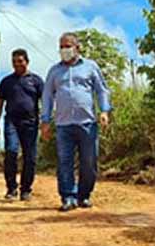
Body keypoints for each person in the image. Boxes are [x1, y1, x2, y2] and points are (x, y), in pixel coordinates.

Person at [41, 32, 111, 212]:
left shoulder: (90, 66)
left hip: (87, 122)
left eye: (67, 46)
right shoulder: (54, 71)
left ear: (77, 47)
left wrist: (104, 110)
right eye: (61, 47)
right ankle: (68, 197)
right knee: (65, 162)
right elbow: (47, 96)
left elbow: (101, 90)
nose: (64, 50)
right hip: (63, 124)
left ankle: (84, 195)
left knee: (89, 161)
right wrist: (46, 121)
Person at [0, 48, 44, 201]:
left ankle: (26, 189)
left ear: (27, 61)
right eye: (14, 62)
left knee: (30, 157)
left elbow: (45, 101)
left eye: (20, 61)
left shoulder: (36, 81)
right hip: (11, 122)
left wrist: (46, 121)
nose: (17, 64)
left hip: (31, 122)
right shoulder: (7, 82)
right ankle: (11, 189)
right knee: (11, 152)